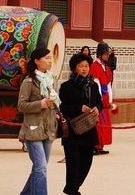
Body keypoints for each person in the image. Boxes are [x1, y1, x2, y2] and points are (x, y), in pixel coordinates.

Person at [60, 51, 103, 195]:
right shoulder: (66, 86)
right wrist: (79, 108)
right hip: (73, 130)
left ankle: (71, 188)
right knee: (73, 164)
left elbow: (99, 103)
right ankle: (72, 190)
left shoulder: (93, 85)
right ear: (74, 68)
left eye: (86, 66)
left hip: (89, 128)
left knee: (86, 163)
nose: (85, 69)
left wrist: (98, 109)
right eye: (81, 66)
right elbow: (61, 107)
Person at [18, 47, 59, 195]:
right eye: (46, 58)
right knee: (40, 167)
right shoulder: (28, 82)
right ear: (36, 61)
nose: (50, 61)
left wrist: (56, 111)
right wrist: (41, 104)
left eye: (50, 58)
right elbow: (21, 106)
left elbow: (55, 102)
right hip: (33, 129)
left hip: (49, 128)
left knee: (40, 167)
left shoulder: (52, 80)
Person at [89, 42, 115, 155]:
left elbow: (108, 84)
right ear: (100, 54)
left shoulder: (107, 68)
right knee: (97, 123)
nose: (108, 56)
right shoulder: (94, 66)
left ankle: (100, 145)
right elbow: (96, 85)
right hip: (98, 99)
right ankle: (94, 145)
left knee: (104, 123)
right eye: (106, 54)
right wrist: (99, 100)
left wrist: (110, 100)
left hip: (105, 99)